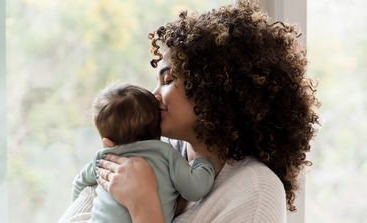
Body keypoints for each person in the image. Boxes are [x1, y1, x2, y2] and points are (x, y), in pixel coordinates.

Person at [59, 1, 319, 222]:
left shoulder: (256, 190)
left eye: (168, 79)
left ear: (215, 87)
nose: (153, 95)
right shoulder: (148, 147)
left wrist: (144, 206)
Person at [62, 83, 215, 223]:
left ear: (108, 142)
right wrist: (202, 161)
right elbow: (195, 190)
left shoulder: (103, 158)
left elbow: (79, 183)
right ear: (158, 128)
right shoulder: (166, 153)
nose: (156, 94)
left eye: (167, 80)